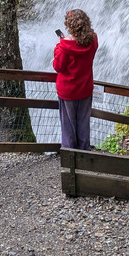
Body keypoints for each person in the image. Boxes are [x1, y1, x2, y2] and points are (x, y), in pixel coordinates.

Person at [52, 9, 98, 151]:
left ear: (70, 26)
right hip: (85, 88)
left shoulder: (65, 47)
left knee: (68, 125)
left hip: (68, 92)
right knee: (83, 123)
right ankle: (84, 154)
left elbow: (57, 66)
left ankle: (70, 157)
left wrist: (59, 45)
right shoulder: (93, 40)